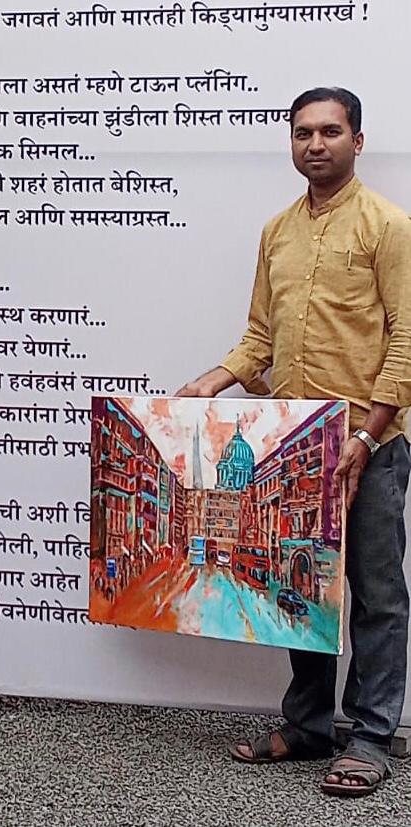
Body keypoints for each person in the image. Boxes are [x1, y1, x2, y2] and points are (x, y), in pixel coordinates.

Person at [177, 87, 411, 797]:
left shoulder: (388, 226)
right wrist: (212, 381)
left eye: (330, 131)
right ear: (291, 141)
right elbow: (260, 337)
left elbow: (407, 339)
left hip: (369, 443)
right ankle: (308, 725)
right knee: (300, 589)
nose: (316, 144)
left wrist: (366, 434)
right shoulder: (277, 231)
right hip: (298, 446)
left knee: (376, 596)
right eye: (303, 132)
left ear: (357, 141)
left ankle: (370, 737)